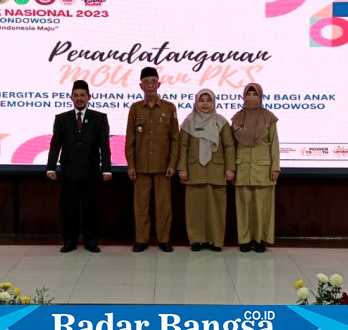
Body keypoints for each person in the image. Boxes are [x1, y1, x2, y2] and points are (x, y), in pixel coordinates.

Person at [46, 80, 112, 253]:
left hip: (91, 172)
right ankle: (69, 242)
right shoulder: (62, 119)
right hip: (69, 172)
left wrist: (106, 169)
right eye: (76, 95)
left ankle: (91, 242)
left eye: (83, 95)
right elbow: (55, 145)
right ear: (71, 98)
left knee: (91, 209)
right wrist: (50, 167)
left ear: (89, 97)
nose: (79, 98)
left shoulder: (99, 118)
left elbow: (104, 146)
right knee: (69, 210)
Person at [125, 67, 179, 252]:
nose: (150, 85)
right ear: (141, 86)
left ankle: (164, 240)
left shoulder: (169, 108)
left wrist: (173, 164)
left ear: (159, 84)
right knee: (141, 206)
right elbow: (130, 139)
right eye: (146, 82)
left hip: (163, 167)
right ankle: (141, 240)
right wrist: (130, 164)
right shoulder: (135, 108)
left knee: (164, 206)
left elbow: (175, 139)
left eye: (153, 82)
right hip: (140, 167)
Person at [178, 89, 235, 252]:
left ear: (214, 102)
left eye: (208, 100)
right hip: (194, 170)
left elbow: (229, 147)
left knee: (216, 208)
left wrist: (230, 168)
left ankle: (215, 241)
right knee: (194, 209)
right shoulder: (188, 122)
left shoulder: (222, 122)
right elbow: (183, 147)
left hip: (216, 171)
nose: (204, 103)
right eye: (201, 100)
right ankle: (196, 240)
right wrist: (182, 168)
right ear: (196, 102)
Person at [232, 83, 280, 253]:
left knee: (261, 207)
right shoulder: (237, 118)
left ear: (261, 97)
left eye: (254, 94)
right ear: (243, 97)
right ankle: (244, 240)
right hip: (242, 167)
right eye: (248, 94)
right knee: (243, 206)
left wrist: (275, 167)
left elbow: (274, 143)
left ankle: (260, 240)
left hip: (263, 169)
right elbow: (231, 146)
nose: (250, 97)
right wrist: (231, 168)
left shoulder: (269, 118)